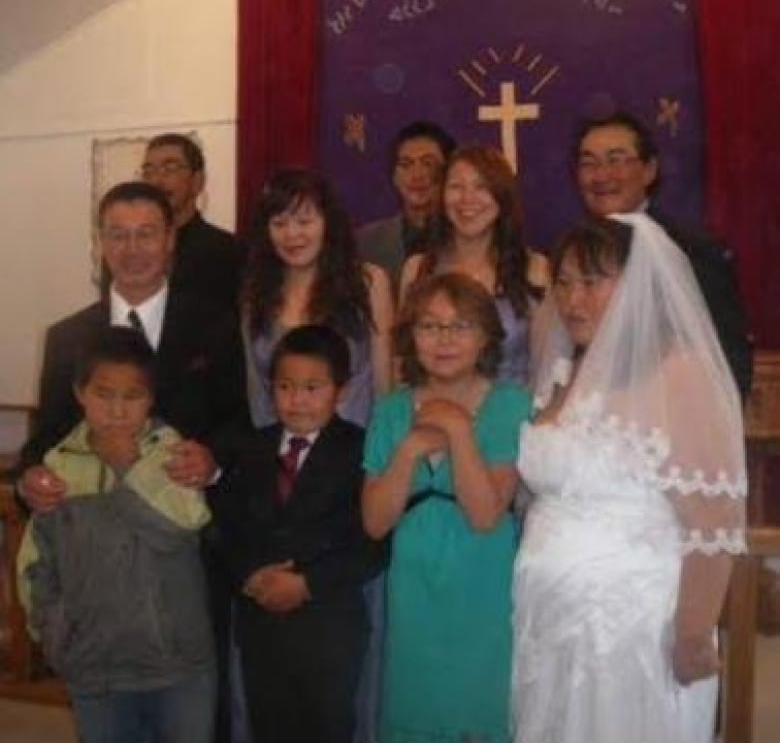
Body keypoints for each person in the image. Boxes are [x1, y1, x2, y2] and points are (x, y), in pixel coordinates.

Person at [16, 180, 249, 743]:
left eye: (147, 233)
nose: (133, 247)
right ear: (100, 242)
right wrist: (30, 478)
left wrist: (212, 459)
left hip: (184, 560)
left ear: (171, 239)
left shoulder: (215, 324)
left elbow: (239, 424)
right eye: (117, 235)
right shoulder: (69, 336)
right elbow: (43, 437)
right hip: (98, 571)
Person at [511, 214, 746, 743]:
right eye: (564, 282)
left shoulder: (677, 374)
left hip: (633, 625)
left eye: (593, 281)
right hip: (547, 616)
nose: (574, 299)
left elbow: (713, 520)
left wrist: (691, 632)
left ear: (639, 283)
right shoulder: (563, 374)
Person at [17, 327, 215, 743]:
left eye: (133, 397)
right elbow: (37, 563)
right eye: (105, 395)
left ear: (152, 398)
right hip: (95, 669)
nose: (119, 411)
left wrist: (130, 468)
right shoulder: (59, 467)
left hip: (178, 668)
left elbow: (178, 530)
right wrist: (56, 635)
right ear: (79, 393)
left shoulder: (174, 455)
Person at [363, 272, 533, 743]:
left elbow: (484, 515)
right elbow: (375, 522)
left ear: (485, 338)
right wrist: (411, 447)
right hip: (414, 591)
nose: (444, 340)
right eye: (429, 326)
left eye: (460, 326)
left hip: (483, 592)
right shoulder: (392, 410)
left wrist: (457, 431)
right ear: (410, 337)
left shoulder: (510, 405)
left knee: (477, 719)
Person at [216, 325, 387, 743]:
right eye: (285, 386)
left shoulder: (362, 449)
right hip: (262, 626)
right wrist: (249, 577)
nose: (297, 399)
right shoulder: (250, 448)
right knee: (269, 727)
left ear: (341, 390)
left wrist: (307, 584)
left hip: (329, 628)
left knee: (327, 729)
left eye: (313, 387)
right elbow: (223, 527)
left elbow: (371, 543)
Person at [573, 110, 753, 397]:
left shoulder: (694, 250)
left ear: (649, 170)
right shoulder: (571, 252)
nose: (601, 175)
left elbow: (729, 356)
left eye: (616, 160)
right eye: (588, 163)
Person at [243, 166, 394, 429]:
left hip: (355, 450)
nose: (292, 234)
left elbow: (384, 384)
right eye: (279, 224)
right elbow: (257, 392)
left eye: (304, 221)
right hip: (283, 455)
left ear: (328, 223)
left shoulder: (367, 283)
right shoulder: (256, 293)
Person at [400, 145, 548, 386]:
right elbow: (403, 363)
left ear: (502, 196)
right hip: (432, 416)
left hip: (512, 415)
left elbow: (544, 364)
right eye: (456, 187)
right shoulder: (418, 269)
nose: (468, 199)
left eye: (481, 187)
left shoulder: (534, 269)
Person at [141, 132, 244, 307]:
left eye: (170, 168)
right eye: (149, 171)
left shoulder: (228, 251)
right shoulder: (129, 249)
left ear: (198, 180)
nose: (156, 180)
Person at [358, 121, 457, 286]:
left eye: (428, 163)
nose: (416, 175)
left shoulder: (465, 237)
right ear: (394, 176)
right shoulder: (365, 244)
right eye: (405, 164)